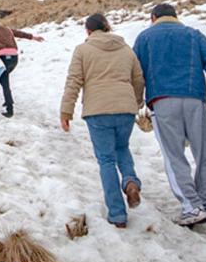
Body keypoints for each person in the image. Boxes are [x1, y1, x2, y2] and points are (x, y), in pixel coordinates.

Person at [133, 3, 206, 226]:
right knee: (204, 151)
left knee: (174, 155)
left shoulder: (145, 38)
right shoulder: (193, 35)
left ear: (153, 17)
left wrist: (137, 100)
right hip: (194, 99)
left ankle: (192, 205)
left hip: (162, 101)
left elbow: (136, 72)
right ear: (176, 16)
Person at [60, 13, 145, 228]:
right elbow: (138, 79)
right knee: (122, 148)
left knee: (106, 160)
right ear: (107, 27)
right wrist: (135, 102)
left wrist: (66, 111)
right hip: (125, 109)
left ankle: (117, 214)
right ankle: (130, 181)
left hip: (97, 110)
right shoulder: (126, 49)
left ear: (88, 31)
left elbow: (74, 81)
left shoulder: (83, 50)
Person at [0, 16, 44, 117]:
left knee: (5, 83)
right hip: (14, 59)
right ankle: (8, 101)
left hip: (2, 59)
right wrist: (34, 37)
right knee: (4, 81)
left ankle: (10, 109)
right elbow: (20, 34)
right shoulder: (7, 29)